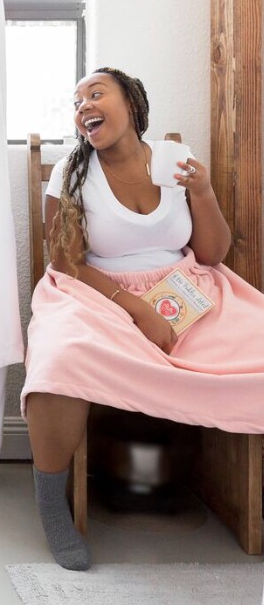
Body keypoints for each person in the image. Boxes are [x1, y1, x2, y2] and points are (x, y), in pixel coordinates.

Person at [22, 67, 264, 570]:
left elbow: (212, 254)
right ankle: (51, 507)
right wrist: (139, 311)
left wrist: (203, 191)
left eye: (96, 93)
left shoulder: (175, 161)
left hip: (186, 286)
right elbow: (66, 262)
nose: (84, 106)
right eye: (76, 102)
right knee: (60, 359)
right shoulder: (72, 170)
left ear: (131, 103)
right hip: (96, 292)